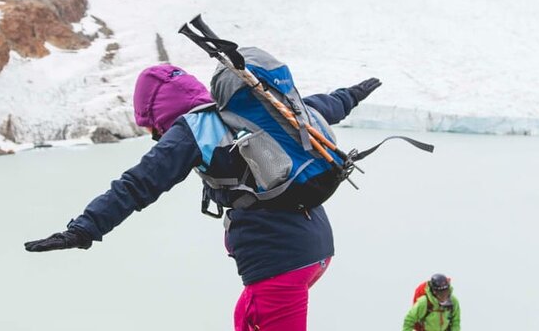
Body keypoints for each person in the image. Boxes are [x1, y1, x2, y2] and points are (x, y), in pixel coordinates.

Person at [24, 63, 382, 331]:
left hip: (280, 264)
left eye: (150, 126)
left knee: (256, 313)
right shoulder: (252, 114)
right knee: (245, 317)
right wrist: (354, 93)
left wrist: (84, 229)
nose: (154, 136)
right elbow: (322, 107)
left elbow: (136, 185)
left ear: (157, 112)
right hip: (315, 252)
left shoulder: (191, 131)